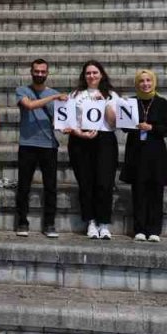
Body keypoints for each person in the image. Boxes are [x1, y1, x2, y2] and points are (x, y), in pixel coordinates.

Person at [64, 60, 119, 239]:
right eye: (88, 73)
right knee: (86, 183)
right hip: (81, 140)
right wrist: (80, 133)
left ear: (101, 74)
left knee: (104, 183)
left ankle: (104, 223)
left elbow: (114, 122)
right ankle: (91, 222)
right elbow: (69, 122)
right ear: (84, 76)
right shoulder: (75, 94)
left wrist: (104, 103)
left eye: (95, 72)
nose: (92, 76)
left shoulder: (111, 95)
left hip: (105, 140)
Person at [119, 70, 167, 242]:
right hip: (137, 152)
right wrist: (135, 126)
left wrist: (151, 128)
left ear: (153, 82)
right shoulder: (130, 102)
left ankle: (154, 230)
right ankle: (140, 229)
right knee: (139, 192)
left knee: (156, 191)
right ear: (137, 84)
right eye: (142, 81)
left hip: (155, 152)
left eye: (148, 80)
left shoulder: (162, 103)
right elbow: (124, 126)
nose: (145, 84)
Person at [14, 59, 66, 238]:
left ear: (47, 73)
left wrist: (66, 126)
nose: (40, 74)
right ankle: (22, 221)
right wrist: (53, 98)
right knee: (24, 186)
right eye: (36, 71)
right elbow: (28, 105)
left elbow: (60, 120)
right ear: (31, 72)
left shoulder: (55, 94)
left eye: (43, 71)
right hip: (27, 144)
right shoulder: (22, 90)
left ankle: (49, 224)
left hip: (49, 145)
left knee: (50, 186)